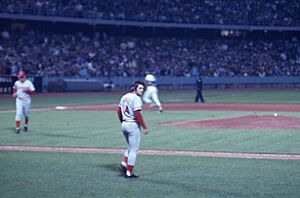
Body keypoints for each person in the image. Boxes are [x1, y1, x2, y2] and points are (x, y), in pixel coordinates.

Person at [117, 81, 149, 179]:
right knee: (134, 150)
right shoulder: (136, 98)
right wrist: (144, 127)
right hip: (133, 124)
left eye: (143, 88)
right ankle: (129, 173)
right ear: (134, 88)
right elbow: (137, 114)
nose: (142, 90)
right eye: (140, 88)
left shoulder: (124, 97)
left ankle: (124, 163)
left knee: (130, 146)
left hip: (124, 124)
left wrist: (122, 122)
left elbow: (118, 111)